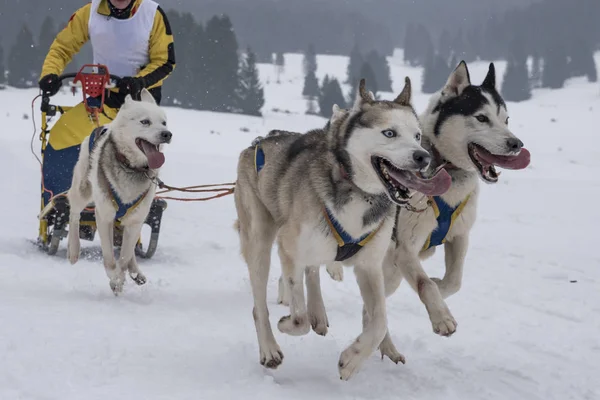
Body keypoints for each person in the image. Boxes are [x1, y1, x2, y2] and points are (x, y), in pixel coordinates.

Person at [37, 0, 175, 206]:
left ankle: (127, 211)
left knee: (129, 155)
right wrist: (50, 74)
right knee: (60, 139)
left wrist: (140, 81)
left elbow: (165, 60)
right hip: (101, 102)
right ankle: (59, 201)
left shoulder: (152, 14)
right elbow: (62, 48)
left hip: (140, 107)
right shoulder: (90, 12)